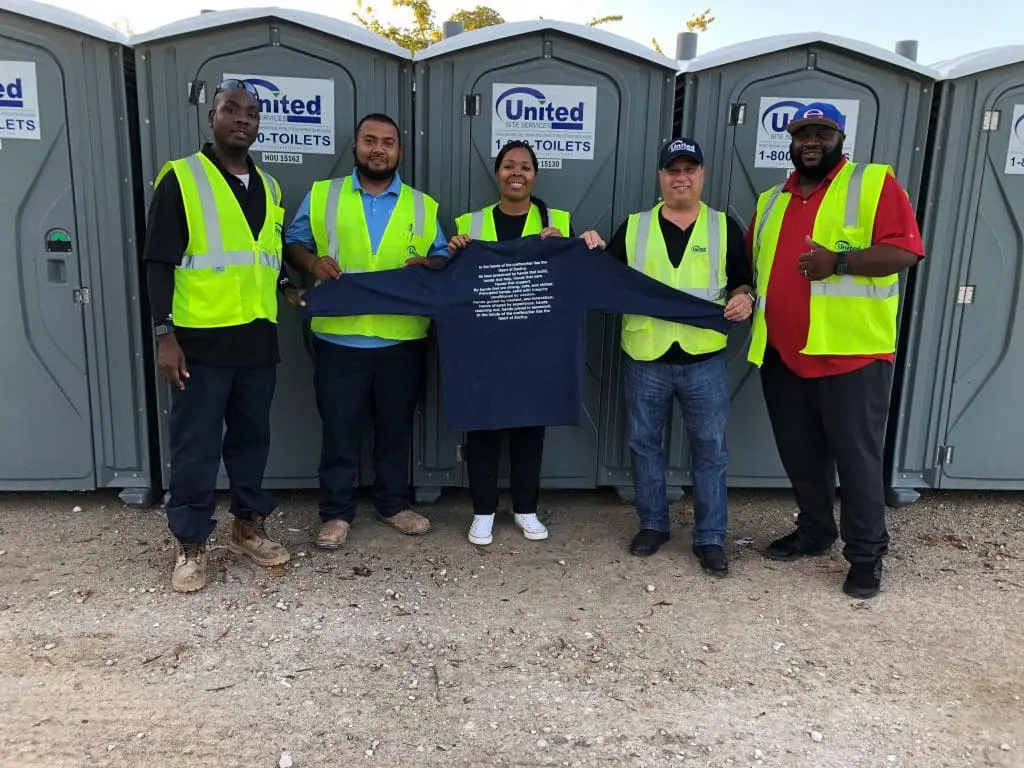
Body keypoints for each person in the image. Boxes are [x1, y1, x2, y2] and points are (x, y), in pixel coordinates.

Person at [745, 102, 924, 599]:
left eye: (822, 132)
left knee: (857, 461)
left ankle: (866, 555)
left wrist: (839, 262)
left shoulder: (872, 183)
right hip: (784, 355)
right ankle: (816, 532)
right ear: (791, 141)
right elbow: (753, 268)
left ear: (840, 138)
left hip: (852, 357)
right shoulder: (770, 201)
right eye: (802, 133)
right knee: (802, 457)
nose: (811, 142)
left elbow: (906, 250)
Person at [144, 78, 303, 593]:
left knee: (252, 441)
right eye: (231, 109)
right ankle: (190, 544)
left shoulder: (271, 185)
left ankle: (248, 528)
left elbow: (264, 251)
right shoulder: (182, 179)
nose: (242, 118)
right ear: (211, 119)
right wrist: (164, 335)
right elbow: (158, 264)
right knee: (196, 447)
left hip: (257, 339)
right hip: (200, 343)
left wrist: (285, 285)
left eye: (251, 112)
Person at [283, 113, 449, 550]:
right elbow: (292, 243)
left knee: (395, 428)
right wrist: (312, 264)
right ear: (355, 146)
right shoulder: (324, 195)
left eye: (389, 142)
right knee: (340, 428)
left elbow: (440, 260)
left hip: (402, 339)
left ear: (400, 151)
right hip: (339, 338)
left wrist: (429, 265)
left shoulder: (422, 204)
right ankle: (336, 512)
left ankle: (393, 504)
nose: (379, 149)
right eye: (370, 140)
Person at [602, 138, 753, 576]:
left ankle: (710, 538)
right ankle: (653, 524)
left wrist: (745, 299)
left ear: (702, 175)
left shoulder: (725, 227)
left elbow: (744, 281)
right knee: (644, 445)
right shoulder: (633, 227)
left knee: (711, 451)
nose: (681, 177)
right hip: (645, 355)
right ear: (661, 177)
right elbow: (603, 279)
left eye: (690, 169)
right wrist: (585, 248)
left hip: (703, 360)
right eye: (673, 170)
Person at [446, 140, 605, 547]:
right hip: (484, 349)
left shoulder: (558, 221)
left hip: (536, 349)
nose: (517, 172)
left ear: (535, 175)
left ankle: (525, 509)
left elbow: (578, 277)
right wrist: (454, 251)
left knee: (529, 431)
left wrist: (581, 243)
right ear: (497, 173)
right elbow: (453, 283)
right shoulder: (471, 223)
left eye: (526, 166)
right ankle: (482, 511)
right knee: (482, 430)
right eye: (509, 165)